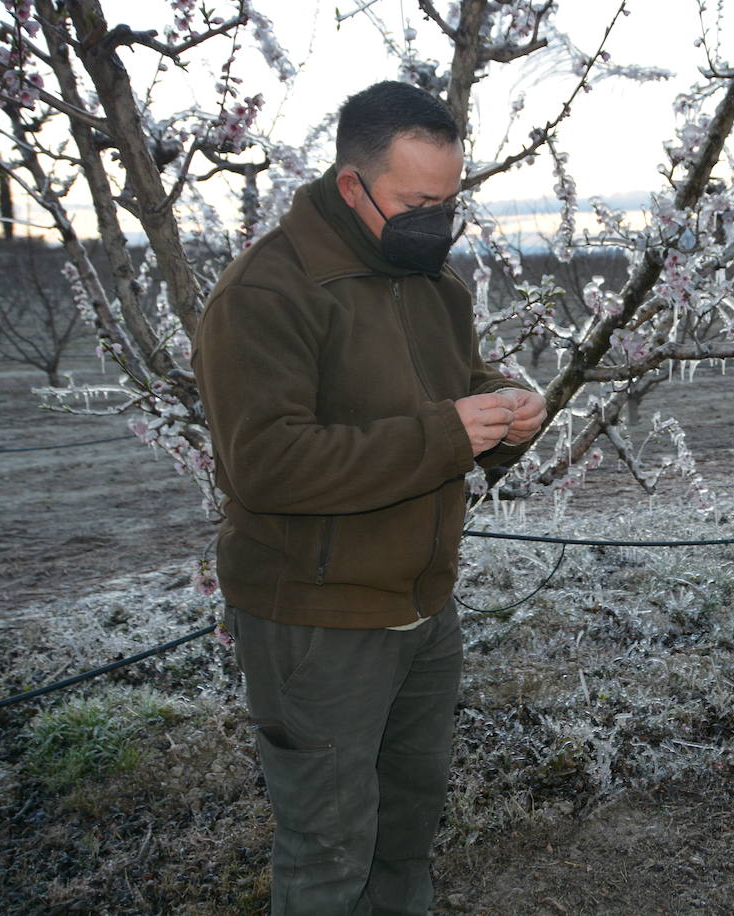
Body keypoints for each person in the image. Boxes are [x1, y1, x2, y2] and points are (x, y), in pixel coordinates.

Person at [192, 80, 546, 914]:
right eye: (418, 200)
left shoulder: (431, 283)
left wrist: (508, 410)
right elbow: (267, 464)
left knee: (407, 828)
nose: (439, 219)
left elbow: (447, 395)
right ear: (351, 185)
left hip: (423, 604)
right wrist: (450, 432)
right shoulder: (268, 293)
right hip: (316, 621)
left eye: (450, 199)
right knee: (327, 845)